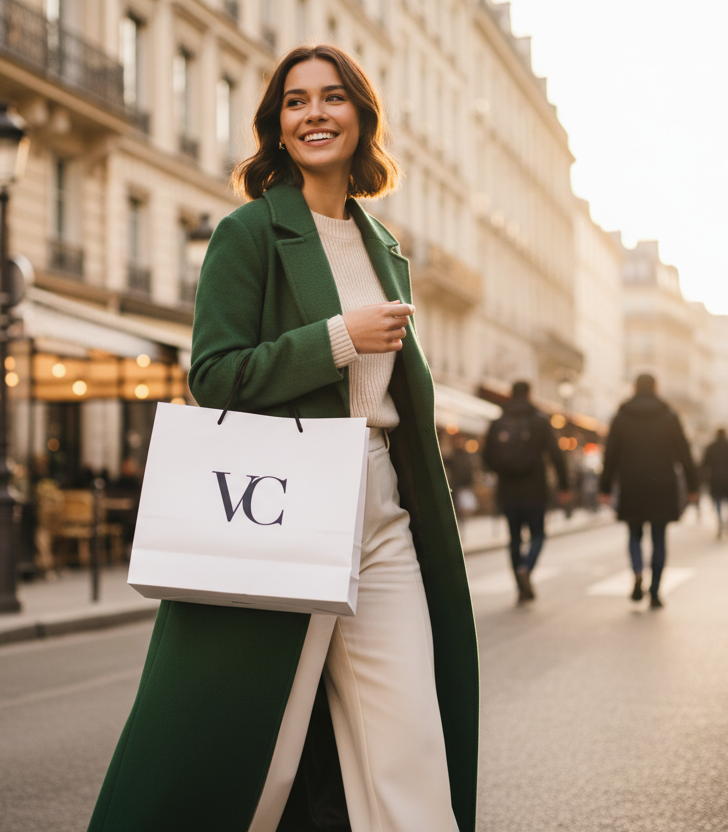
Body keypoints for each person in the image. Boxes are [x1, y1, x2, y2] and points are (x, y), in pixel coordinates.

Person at [89, 45, 478, 832]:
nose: (315, 114)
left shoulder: (383, 246)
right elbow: (214, 375)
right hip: (285, 501)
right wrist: (339, 337)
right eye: (296, 102)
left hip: (383, 507)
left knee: (408, 737)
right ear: (278, 125)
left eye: (332, 97)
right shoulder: (249, 233)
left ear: (361, 116)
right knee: (255, 750)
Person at [599, 374, 698, 609]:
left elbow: (610, 455)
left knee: (634, 534)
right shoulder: (669, 416)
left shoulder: (621, 417)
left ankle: (637, 573)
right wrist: (693, 486)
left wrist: (605, 487)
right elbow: (684, 453)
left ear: (634, 388)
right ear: (656, 388)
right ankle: (654, 591)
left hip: (631, 482)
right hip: (662, 484)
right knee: (659, 538)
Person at [482, 380, 570, 604]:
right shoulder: (540, 421)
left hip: (508, 490)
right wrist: (564, 485)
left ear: (510, 394)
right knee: (537, 534)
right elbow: (556, 454)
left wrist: (503, 471)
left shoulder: (498, 422)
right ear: (530, 394)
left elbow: (486, 457)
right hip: (534, 489)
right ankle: (526, 568)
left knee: (514, 538)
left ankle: (520, 586)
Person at [700, 427, 728, 540]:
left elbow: (704, 464)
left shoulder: (711, 447)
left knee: (718, 503)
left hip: (715, 479)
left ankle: (720, 524)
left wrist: (705, 479)